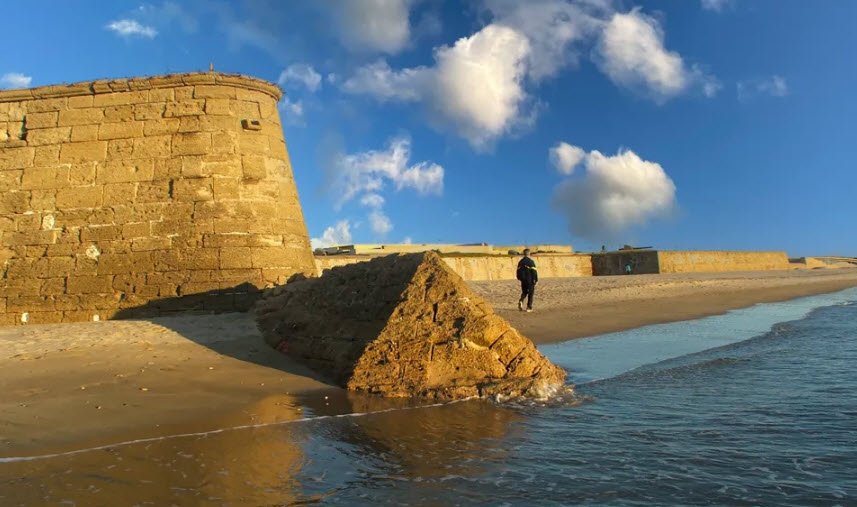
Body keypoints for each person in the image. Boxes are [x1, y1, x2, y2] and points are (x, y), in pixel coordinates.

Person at [516, 248, 538, 312]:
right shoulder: (531, 262)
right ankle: (529, 307)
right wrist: (535, 279)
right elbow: (534, 272)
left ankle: (521, 300)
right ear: (529, 254)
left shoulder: (520, 262)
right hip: (530, 280)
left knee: (524, 292)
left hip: (523, 280)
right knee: (530, 293)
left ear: (524, 254)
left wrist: (519, 278)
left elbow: (518, 271)